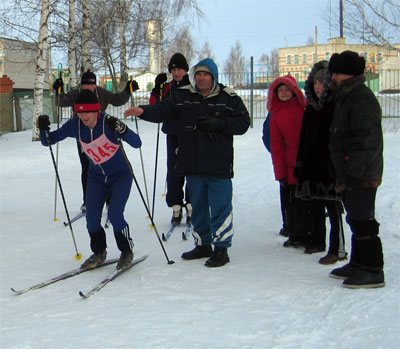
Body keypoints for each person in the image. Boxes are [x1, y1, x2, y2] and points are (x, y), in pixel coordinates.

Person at [124, 58, 250, 267]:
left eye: (205, 74)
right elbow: (164, 109)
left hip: (218, 165)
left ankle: (221, 249)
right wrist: (143, 111)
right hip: (192, 163)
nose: (201, 78)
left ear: (213, 77)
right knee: (198, 207)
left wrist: (221, 123)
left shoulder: (228, 97)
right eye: (198, 74)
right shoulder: (184, 96)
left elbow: (244, 122)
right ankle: (203, 245)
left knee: (220, 207)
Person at [37, 89, 142, 270]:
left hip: (120, 176)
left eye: (88, 112)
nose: (84, 116)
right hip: (96, 177)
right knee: (92, 218)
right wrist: (43, 129)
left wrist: (123, 129)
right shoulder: (75, 125)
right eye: (80, 111)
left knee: (115, 215)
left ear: (97, 111)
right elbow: (49, 141)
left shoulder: (108, 123)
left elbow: (137, 143)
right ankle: (99, 252)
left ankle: (126, 251)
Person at [327, 51, 385, 288]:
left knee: (363, 219)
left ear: (346, 74)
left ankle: (373, 268)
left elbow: (368, 139)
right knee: (354, 217)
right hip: (351, 170)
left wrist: (354, 169)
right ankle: (359, 262)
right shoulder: (347, 96)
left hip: (361, 173)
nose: (332, 77)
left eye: (336, 72)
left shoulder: (361, 98)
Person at [53, 70, 139, 212]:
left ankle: (110, 200)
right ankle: (88, 201)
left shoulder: (101, 93)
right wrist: (58, 91)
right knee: (87, 168)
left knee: (107, 167)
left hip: (102, 134)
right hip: (83, 134)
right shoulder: (76, 94)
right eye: (85, 84)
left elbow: (117, 100)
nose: (88, 87)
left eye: (91, 84)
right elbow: (62, 102)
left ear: (95, 84)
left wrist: (127, 91)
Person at [294, 60, 347, 264]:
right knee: (315, 204)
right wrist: (300, 163)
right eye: (315, 82)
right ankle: (318, 241)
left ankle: (338, 249)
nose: (318, 86)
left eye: (322, 83)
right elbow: (304, 139)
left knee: (333, 208)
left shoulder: (335, 107)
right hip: (312, 165)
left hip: (331, 166)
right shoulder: (311, 109)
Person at [149, 53, 192, 225]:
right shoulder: (167, 87)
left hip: (190, 134)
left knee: (190, 169)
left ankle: (191, 206)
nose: (176, 72)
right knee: (173, 171)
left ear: (185, 70)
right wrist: (157, 87)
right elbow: (154, 106)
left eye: (179, 69)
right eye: (173, 69)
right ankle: (176, 207)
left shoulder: (192, 86)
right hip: (173, 133)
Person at [267, 75, 308, 248]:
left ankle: (310, 233)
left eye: (286, 90)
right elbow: (276, 148)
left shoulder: (305, 111)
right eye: (280, 90)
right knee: (291, 203)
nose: (284, 93)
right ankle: (295, 233)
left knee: (308, 202)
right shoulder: (275, 116)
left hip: (308, 164)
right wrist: (280, 174)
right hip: (289, 167)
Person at [262, 112, 288, 237]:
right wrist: (276, 153)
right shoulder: (274, 112)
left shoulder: (301, 108)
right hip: (283, 162)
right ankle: (289, 225)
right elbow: (267, 136)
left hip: (301, 161)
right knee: (286, 192)